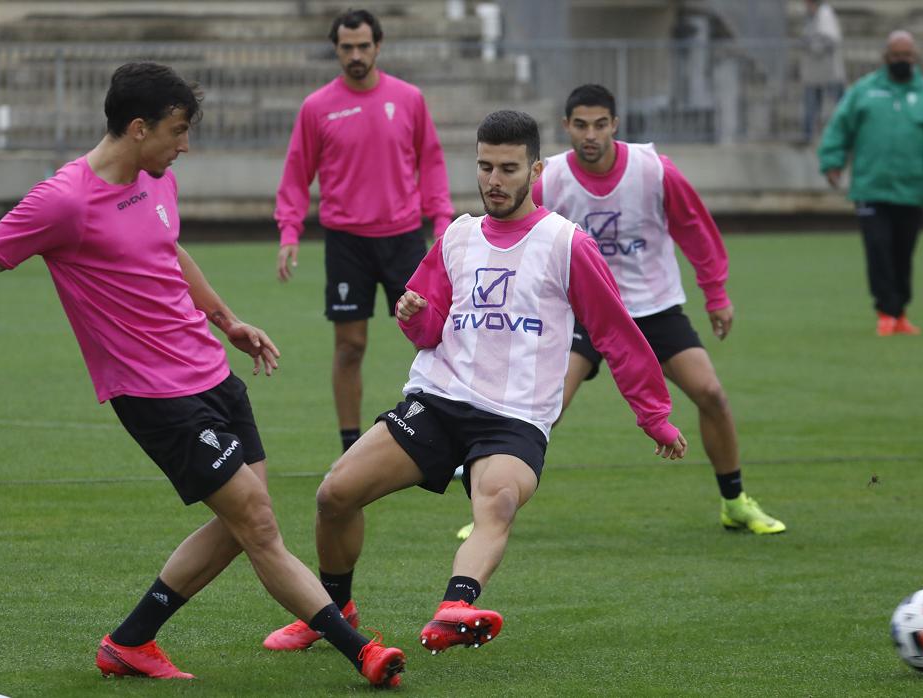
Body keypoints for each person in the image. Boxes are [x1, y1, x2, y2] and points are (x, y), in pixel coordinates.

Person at [0, 62, 405, 688]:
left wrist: (227, 322)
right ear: (138, 127)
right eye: (177, 132)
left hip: (211, 374)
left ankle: (131, 641)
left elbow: (167, 248)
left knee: (240, 527)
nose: (185, 146)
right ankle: (358, 648)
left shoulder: (157, 180)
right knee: (256, 519)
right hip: (153, 395)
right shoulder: (62, 201)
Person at [261, 110, 687, 656]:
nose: (493, 180)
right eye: (485, 166)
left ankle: (457, 606)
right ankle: (333, 610)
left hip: (515, 417)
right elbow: (426, 328)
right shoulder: (458, 236)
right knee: (334, 495)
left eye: (508, 168)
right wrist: (413, 312)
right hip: (438, 402)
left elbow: (617, 333)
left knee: (498, 501)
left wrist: (653, 414)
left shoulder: (567, 244)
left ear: (534, 171)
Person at [535, 83, 786, 535]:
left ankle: (735, 501)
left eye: (599, 124)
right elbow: (520, 239)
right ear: (566, 127)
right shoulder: (549, 179)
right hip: (585, 314)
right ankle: (489, 514)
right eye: (580, 125)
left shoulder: (654, 170)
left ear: (615, 124)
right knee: (541, 410)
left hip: (654, 308)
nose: (590, 135)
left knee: (711, 394)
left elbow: (694, 228)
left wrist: (716, 294)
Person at [275, 8, 455, 454]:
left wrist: (443, 222)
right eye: (346, 47)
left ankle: (445, 437)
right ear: (336, 49)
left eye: (363, 46)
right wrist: (289, 232)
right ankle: (351, 446)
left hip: (403, 238)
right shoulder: (317, 107)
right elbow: (298, 173)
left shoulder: (409, 98)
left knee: (434, 339)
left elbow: (430, 161)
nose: (355, 55)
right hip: (346, 243)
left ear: (378, 46)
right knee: (350, 346)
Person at [818, 30, 923, 336]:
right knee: (878, 249)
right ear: (886, 58)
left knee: (902, 252)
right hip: (871, 188)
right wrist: (832, 161)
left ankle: (901, 311)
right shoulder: (864, 91)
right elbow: (839, 128)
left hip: (911, 190)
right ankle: (885, 310)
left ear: (915, 58)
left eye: (907, 56)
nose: (902, 61)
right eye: (896, 56)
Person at [801, 0, 846, 143]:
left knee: (840, 106)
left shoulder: (824, 14)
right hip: (816, 73)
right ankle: (809, 135)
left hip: (828, 71)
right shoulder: (812, 16)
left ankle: (845, 134)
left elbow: (830, 39)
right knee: (813, 105)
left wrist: (814, 48)